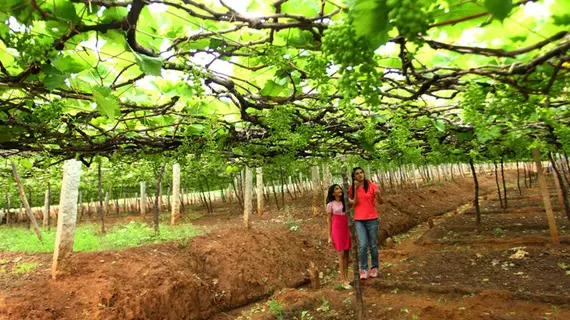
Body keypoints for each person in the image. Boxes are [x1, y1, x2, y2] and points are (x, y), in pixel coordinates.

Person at [348, 167, 383, 280]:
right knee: (362, 245)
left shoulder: (372, 185)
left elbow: (381, 202)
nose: (360, 175)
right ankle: (363, 269)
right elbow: (350, 205)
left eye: (361, 173)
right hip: (359, 220)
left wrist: (378, 195)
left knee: (372, 245)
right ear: (354, 177)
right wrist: (354, 189)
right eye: (357, 174)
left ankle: (375, 267)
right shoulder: (352, 189)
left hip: (372, 218)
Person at [326, 184, 352, 289]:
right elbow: (329, 220)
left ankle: (346, 277)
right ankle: (343, 279)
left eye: (340, 188)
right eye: (337, 189)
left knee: (347, 252)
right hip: (337, 229)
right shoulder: (330, 204)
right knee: (341, 253)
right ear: (333, 193)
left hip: (346, 228)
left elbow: (354, 203)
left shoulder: (345, 201)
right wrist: (329, 235)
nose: (339, 190)